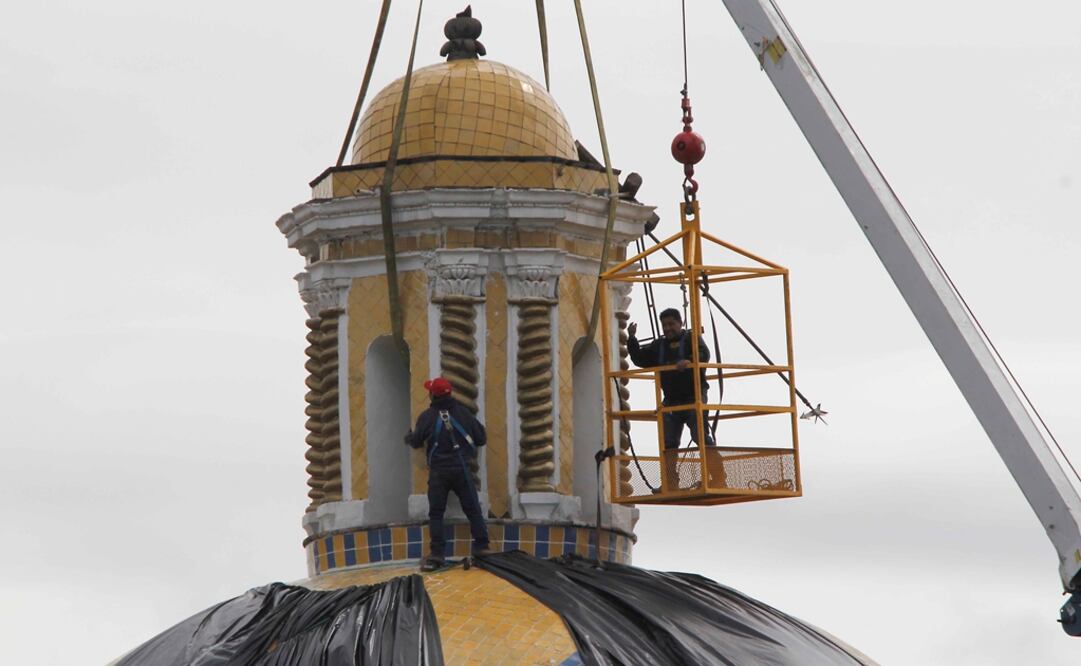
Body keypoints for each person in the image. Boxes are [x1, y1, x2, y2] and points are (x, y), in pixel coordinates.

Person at [405, 377, 493, 571]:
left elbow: (416, 441)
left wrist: (409, 436)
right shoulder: (464, 413)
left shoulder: (427, 417)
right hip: (462, 469)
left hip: (439, 473)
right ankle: (482, 546)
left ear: (431, 395)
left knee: (436, 513)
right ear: (450, 393)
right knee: (472, 509)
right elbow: (481, 438)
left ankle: (437, 554)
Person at [627, 308, 715, 490]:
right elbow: (641, 359)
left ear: (680, 323)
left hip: (694, 396)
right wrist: (632, 339)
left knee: (700, 436)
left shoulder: (691, 338)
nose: (667, 328)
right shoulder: (659, 345)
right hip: (672, 401)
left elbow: (704, 355)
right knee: (669, 443)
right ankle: (670, 483)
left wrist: (689, 361)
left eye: (671, 324)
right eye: (664, 325)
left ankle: (717, 476)